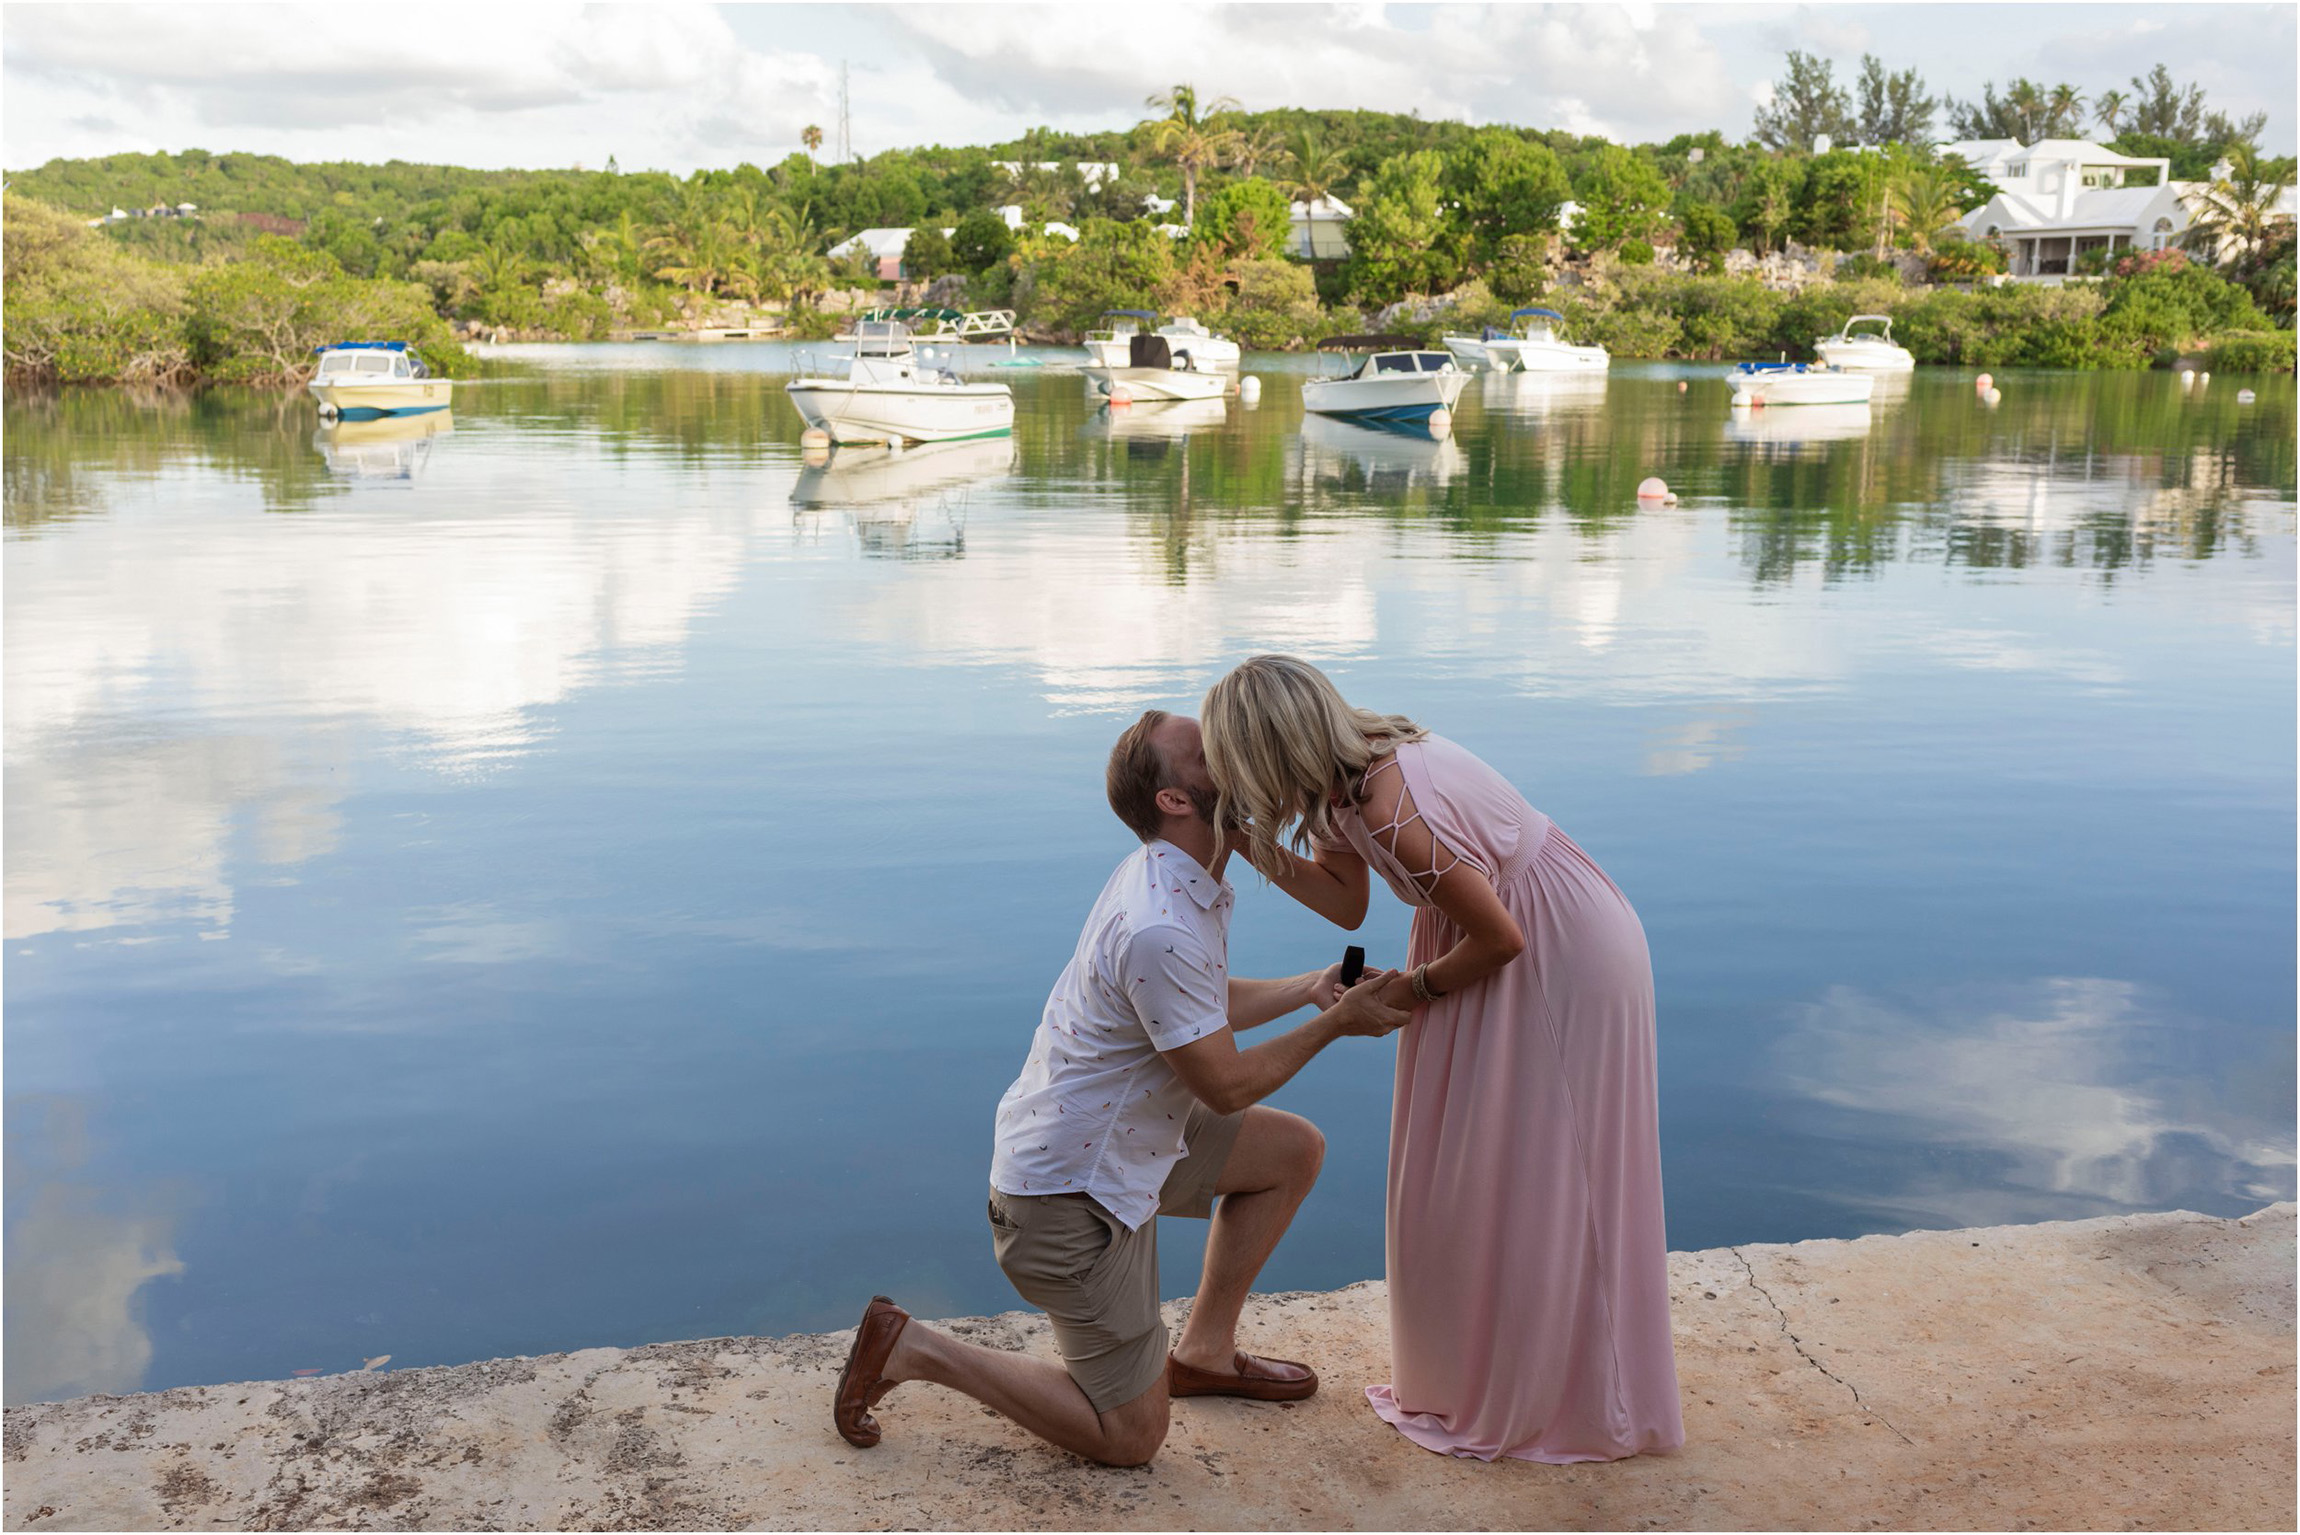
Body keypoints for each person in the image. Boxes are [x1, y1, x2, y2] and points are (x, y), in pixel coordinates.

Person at [833, 708, 1411, 1467]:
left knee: (1290, 1152)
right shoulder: (1158, 921)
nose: (1232, 747)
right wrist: (1340, 1024)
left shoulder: (1180, 871)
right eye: (1208, 750)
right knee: (1132, 1437)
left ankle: (1203, 1353)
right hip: (1067, 1202)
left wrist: (1311, 987)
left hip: (1119, 1139)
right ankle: (916, 1347)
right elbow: (1227, 1084)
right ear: (1175, 800)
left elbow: (1202, 998)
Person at [1198, 655, 1683, 1464]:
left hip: (1555, 952)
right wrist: (1245, 841)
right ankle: (1481, 1373)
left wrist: (1406, 993)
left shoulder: (1393, 808)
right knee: (1464, 1168)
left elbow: (1502, 938)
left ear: (1271, 750)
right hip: (1481, 942)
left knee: (1549, 1170)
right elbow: (1344, 900)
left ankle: (1572, 1395)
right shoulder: (1342, 791)